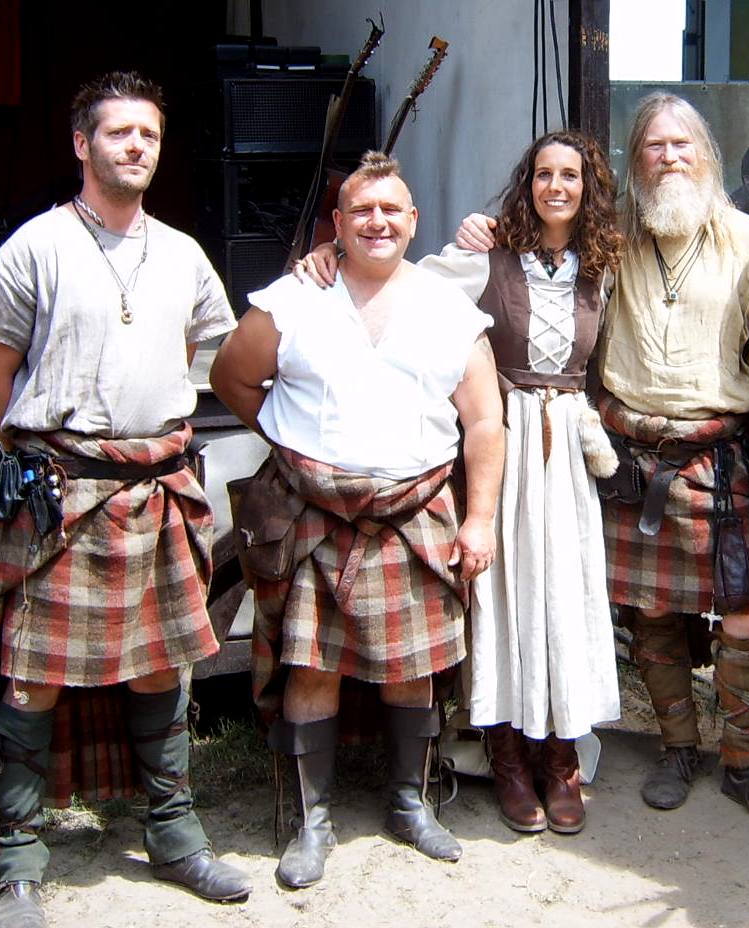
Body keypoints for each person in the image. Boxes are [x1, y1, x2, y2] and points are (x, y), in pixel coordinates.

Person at [0, 71, 251, 928]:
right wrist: (41, 466)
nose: (136, 147)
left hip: (157, 489)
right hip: (62, 493)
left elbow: (222, 351)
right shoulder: (35, 248)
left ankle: (173, 833)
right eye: (119, 133)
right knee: (34, 676)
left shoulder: (184, 254)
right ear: (81, 145)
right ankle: (18, 860)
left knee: (166, 662)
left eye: (149, 135)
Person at [459, 93, 749, 828]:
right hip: (629, 454)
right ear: (635, 163)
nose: (669, 158)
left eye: (682, 145)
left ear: (705, 153)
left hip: (717, 450)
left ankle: (745, 763)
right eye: (653, 147)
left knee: (741, 615)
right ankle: (677, 748)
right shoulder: (611, 244)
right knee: (649, 615)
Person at [297, 130, 625, 836]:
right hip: (502, 441)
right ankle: (505, 756)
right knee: (501, 601)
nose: (555, 187)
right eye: (543, 173)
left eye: (570, 175)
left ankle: (560, 754)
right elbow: (395, 273)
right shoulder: (486, 258)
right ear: (527, 182)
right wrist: (332, 252)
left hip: (564, 454)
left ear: (588, 187)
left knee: (562, 598)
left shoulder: (602, 266)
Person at [210, 152, 504, 886]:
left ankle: (410, 803)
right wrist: (295, 447)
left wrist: (481, 521)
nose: (377, 222)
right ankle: (311, 819)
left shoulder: (451, 312)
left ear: (413, 221)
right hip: (314, 512)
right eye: (361, 211)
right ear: (337, 225)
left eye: (391, 210)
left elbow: (485, 425)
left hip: (416, 508)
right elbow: (232, 377)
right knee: (312, 665)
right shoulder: (292, 299)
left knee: (416, 668)